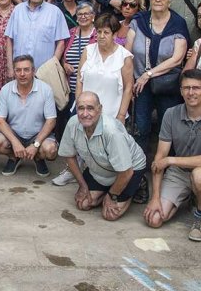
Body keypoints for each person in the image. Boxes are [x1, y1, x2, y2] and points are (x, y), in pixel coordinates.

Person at [143, 69, 201, 242]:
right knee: (154, 219)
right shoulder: (171, 114)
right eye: (186, 88)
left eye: (196, 88)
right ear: (181, 91)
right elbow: (159, 159)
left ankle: (200, 216)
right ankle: (188, 196)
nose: (191, 93)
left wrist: (170, 160)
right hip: (179, 173)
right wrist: (155, 198)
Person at [57, 13, 135, 187]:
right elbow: (80, 79)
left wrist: (121, 115)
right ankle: (72, 172)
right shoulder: (88, 50)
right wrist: (78, 104)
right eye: (99, 32)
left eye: (106, 32)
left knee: (107, 150)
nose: (101, 36)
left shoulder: (125, 57)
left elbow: (128, 87)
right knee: (79, 143)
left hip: (111, 111)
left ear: (115, 34)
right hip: (85, 109)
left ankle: (109, 181)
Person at [58, 92, 147, 221]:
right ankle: (108, 189)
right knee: (83, 204)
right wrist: (82, 185)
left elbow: (126, 172)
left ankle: (138, 183)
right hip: (100, 169)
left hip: (128, 170)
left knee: (110, 215)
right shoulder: (73, 123)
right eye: (81, 108)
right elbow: (69, 156)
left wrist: (112, 195)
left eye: (90, 108)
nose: (85, 113)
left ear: (99, 109)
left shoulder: (111, 131)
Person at [125, 0, 188, 155]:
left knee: (167, 128)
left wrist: (149, 74)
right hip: (139, 85)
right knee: (141, 127)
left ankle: (166, 169)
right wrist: (130, 81)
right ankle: (139, 172)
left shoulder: (178, 23)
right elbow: (127, 54)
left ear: (170, 0)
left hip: (167, 84)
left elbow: (177, 58)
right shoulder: (139, 21)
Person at [0, 55, 58, 177]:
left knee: (51, 150)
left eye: (26, 69)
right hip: (14, 133)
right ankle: (14, 157)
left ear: (33, 70)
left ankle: (37, 158)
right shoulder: (6, 90)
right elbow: (0, 120)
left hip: (38, 135)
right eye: (18, 70)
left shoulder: (45, 89)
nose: (22, 74)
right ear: (14, 72)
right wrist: (15, 142)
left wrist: (36, 144)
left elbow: (51, 121)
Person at [4, 0, 70, 72]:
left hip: (45, 73)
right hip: (20, 71)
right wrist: (9, 67)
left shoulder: (55, 12)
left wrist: (53, 68)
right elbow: (9, 39)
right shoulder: (17, 10)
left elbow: (61, 43)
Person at [58, 1, 97, 138]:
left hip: (92, 87)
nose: (83, 16)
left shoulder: (99, 34)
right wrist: (64, 64)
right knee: (74, 123)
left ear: (93, 16)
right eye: (80, 14)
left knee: (89, 123)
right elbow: (63, 55)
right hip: (72, 88)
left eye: (87, 13)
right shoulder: (71, 33)